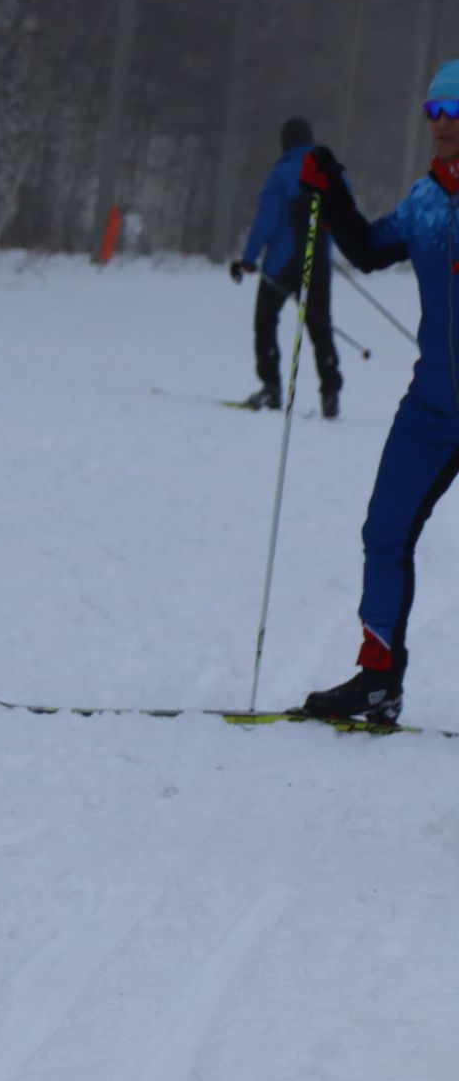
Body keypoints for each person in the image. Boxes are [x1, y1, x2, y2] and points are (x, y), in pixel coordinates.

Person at [290, 61, 459, 724]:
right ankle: (378, 678)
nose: (442, 125)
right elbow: (364, 249)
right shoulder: (423, 202)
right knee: (384, 533)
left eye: (455, 113)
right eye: (434, 113)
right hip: (433, 410)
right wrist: (331, 190)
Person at [230, 116, 344, 418]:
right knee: (320, 328)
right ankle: (330, 393)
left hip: (282, 263)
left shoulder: (281, 174)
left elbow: (266, 219)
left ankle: (271, 388)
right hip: (318, 264)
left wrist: (249, 258)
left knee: (266, 321)